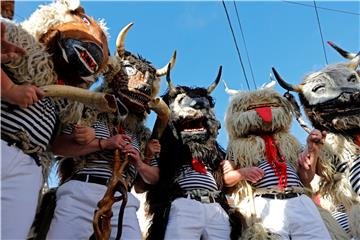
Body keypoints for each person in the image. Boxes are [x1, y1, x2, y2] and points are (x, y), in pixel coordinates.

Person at [46, 116, 160, 239]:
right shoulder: (89, 116)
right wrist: (104, 143)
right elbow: (58, 147)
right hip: (81, 191)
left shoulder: (142, 135)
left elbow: (154, 178)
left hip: (122, 200)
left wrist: (139, 163)